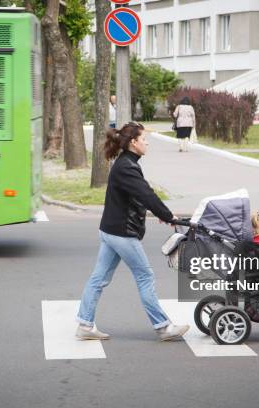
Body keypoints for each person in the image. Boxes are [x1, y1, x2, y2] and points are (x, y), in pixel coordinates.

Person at [76, 122, 190, 342]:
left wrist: (159, 213)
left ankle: (85, 324)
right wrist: (168, 215)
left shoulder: (126, 164)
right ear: (133, 143)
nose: (147, 142)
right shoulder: (127, 166)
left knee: (98, 279)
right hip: (121, 233)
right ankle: (163, 327)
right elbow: (146, 194)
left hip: (110, 230)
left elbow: (136, 196)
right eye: (144, 139)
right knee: (145, 276)